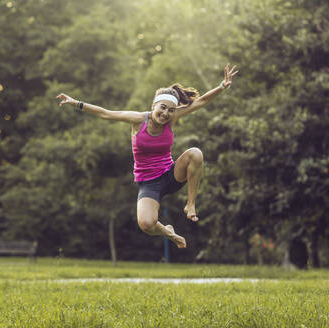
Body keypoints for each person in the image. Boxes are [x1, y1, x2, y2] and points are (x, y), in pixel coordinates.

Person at [57, 63, 238, 249]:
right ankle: (169, 232)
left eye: (171, 110)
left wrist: (222, 86)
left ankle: (190, 204)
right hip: (149, 183)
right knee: (147, 225)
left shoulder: (173, 118)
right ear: (154, 105)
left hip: (170, 174)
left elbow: (201, 102)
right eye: (163, 108)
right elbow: (106, 114)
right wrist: (75, 102)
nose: (166, 113)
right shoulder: (138, 120)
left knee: (195, 154)